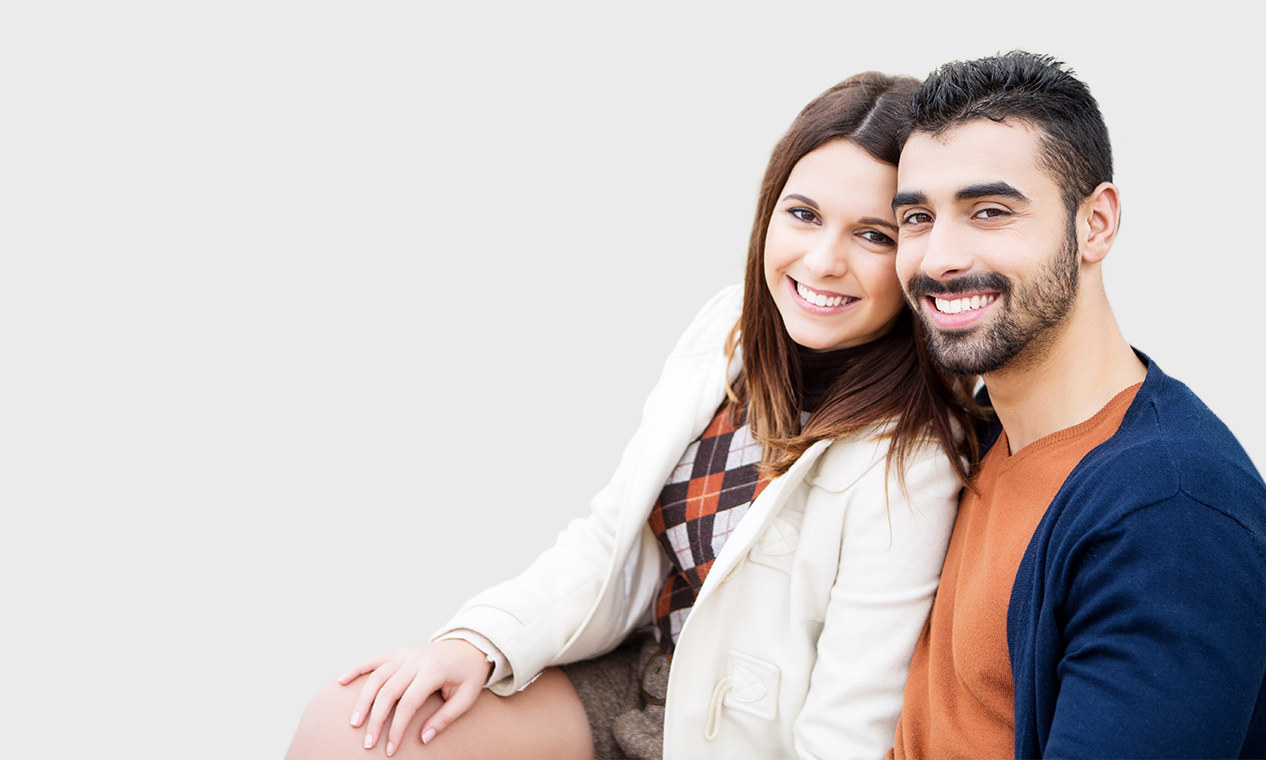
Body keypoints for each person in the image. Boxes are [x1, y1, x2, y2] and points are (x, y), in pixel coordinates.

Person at [285, 71, 981, 760]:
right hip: (641, 684)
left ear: (918, 252)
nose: (823, 261)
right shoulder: (729, 331)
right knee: (349, 725)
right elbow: (610, 542)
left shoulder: (914, 459)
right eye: (803, 215)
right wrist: (480, 642)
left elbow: (851, 724)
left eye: (874, 235)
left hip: (736, 742)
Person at [887, 51, 1266, 758]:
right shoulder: (977, 432)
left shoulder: (1171, 514)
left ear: (1096, 224)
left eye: (990, 210)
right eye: (916, 217)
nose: (938, 257)